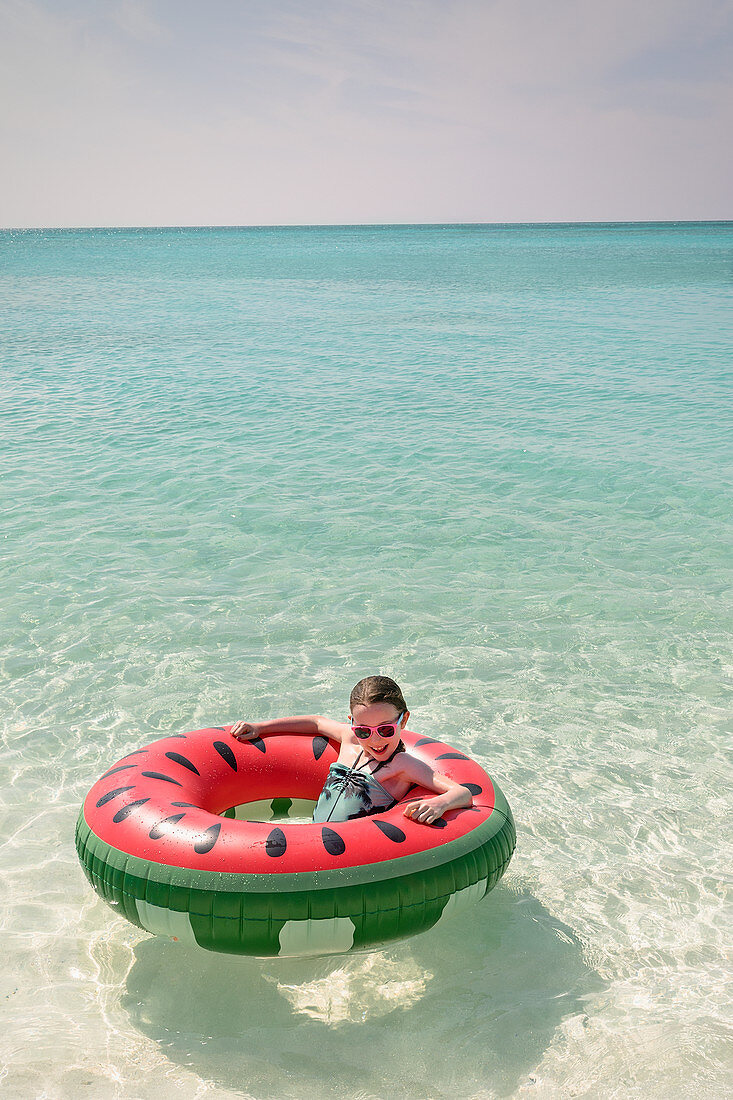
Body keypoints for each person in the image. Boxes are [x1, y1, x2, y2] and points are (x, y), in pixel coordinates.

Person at [230, 674, 472, 825]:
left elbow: (462, 793)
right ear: (352, 723)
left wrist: (439, 804)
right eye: (364, 730)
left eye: (386, 730)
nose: (375, 740)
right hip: (312, 837)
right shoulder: (349, 739)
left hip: (347, 857)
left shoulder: (402, 765)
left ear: (404, 721)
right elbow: (316, 722)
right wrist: (261, 727)